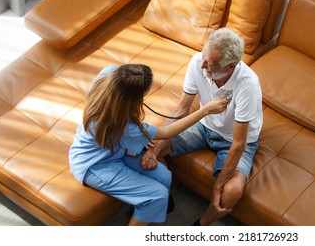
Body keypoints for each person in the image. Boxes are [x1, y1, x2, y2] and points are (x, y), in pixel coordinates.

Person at [68, 64, 228, 226]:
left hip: (113, 150)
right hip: (93, 165)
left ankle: (146, 211)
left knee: (164, 176)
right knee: (157, 196)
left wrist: (143, 139)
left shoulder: (108, 74)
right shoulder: (126, 127)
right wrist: (205, 111)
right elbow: (167, 133)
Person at [144, 27, 263, 226]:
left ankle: (201, 225)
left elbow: (239, 143)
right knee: (149, 146)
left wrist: (218, 187)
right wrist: (154, 151)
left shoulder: (247, 84)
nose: (202, 64)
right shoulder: (198, 62)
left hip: (233, 140)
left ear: (230, 67)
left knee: (231, 191)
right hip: (202, 125)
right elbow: (182, 109)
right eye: (204, 56)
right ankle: (163, 198)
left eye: (210, 64)